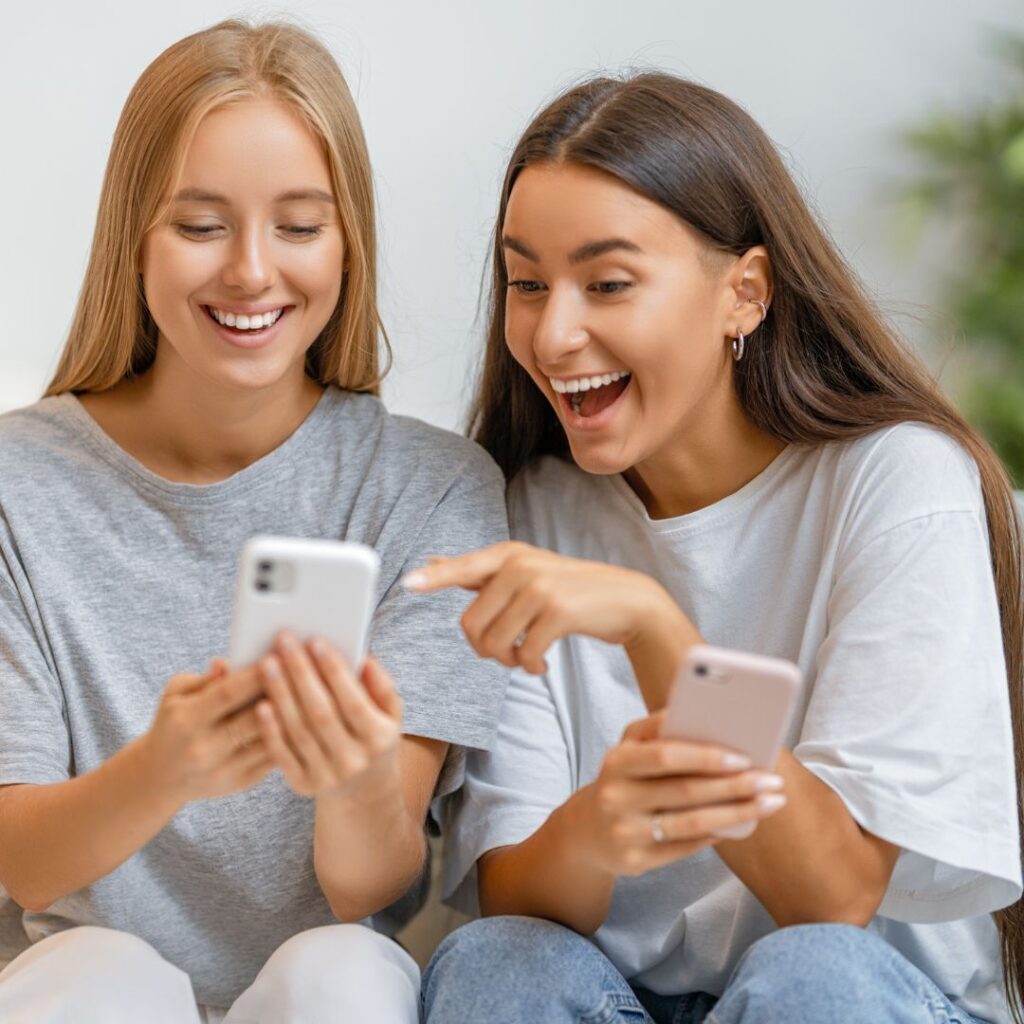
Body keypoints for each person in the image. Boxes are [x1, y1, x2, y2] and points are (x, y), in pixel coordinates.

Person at [408, 73, 1024, 1024]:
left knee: (807, 975)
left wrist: (655, 632)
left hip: (861, 997)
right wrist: (599, 828)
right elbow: (518, 904)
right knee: (496, 963)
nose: (554, 331)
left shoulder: (897, 483)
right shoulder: (529, 510)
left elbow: (832, 899)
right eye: (527, 283)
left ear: (744, 292)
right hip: (634, 1001)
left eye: (607, 283)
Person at [0, 19, 507, 1024]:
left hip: (329, 987)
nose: (249, 270)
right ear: (132, 236)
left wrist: (358, 775)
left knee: (341, 971)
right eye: (199, 225)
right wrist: (164, 768)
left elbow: (370, 889)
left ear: (347, 239)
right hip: (82, 983)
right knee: (95, 971)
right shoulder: (19, 487)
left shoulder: (431, 489)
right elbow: (27, 867)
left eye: (299, 225)